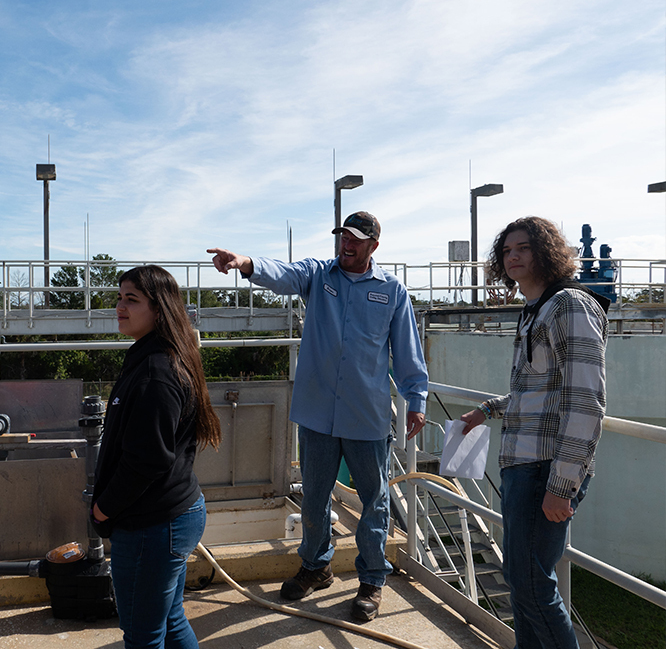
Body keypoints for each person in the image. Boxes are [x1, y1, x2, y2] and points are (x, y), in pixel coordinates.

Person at [207, 211, 428, 621]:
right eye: (343, 236)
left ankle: (372, 579)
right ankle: (316, 566)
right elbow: (283, 273)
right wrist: (245, 263)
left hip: (366, 416)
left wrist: (416, 399)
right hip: (317, 413)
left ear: (373, 247)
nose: (346, 244)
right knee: (313, 497)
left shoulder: (392, 292)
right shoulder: (317, 276)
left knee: (374, 502)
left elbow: (407, 351)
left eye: (356, 239)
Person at [461, 217, 609, 649]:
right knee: (522, 582)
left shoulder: (569, 306)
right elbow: (536, 388)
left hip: (546, 468)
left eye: (523, 248)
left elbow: (585, 400)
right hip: (523, 463)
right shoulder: (536, 310)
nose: (512, 257)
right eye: (507, 251)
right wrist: (487, 410)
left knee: (530, 584)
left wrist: (562, 485)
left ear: (545, 252)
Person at [91, 265, 221, 649]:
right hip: (172, 515)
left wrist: (103, 509)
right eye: (119, 297)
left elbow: (147, 460)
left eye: (132, 299)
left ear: (159, 309)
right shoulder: (159, 357)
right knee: (170, 618)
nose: (120, 306)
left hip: (152, 526)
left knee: (143, 635)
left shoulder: (156, 373)